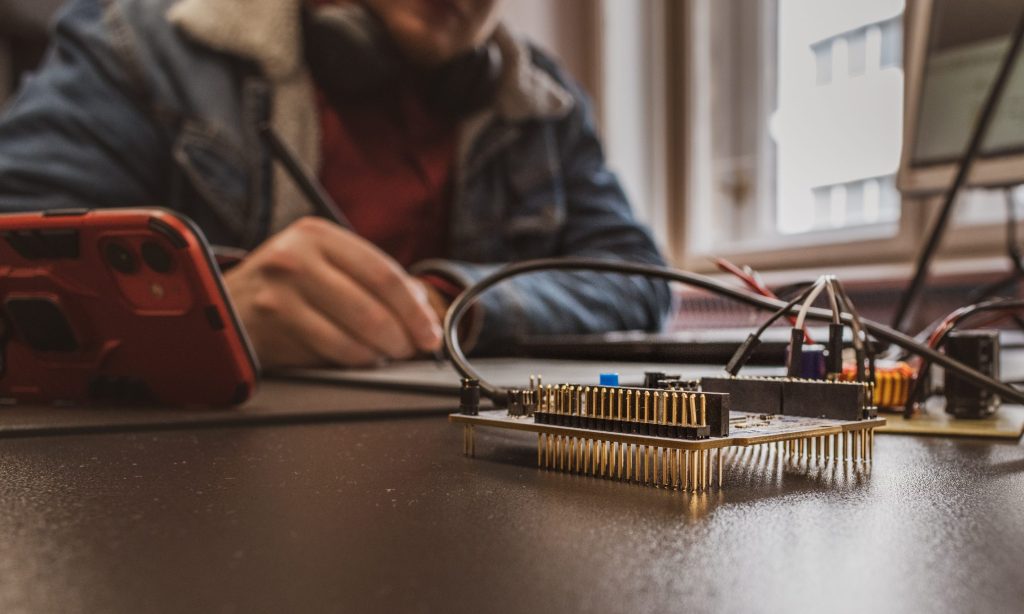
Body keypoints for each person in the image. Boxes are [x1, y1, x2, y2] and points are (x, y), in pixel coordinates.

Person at [0, 0, 671, 369]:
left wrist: (450, 302)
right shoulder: (135, 47)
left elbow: (639, 276)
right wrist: (206, 318)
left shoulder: (542, 102)